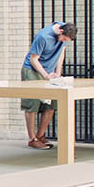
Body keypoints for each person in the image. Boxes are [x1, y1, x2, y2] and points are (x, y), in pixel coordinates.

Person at [21, 21, 76, 149]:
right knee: (32, 104)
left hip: (50, 71)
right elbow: (33, 59)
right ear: (60, 32)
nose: (63, 41)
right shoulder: (43, 37)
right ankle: (32, 138)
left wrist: (58, 74)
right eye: (63, 39)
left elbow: (60, 54)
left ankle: (40, 135)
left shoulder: (65, 33)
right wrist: (45, 76)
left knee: (51, 104)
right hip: (33, 70)